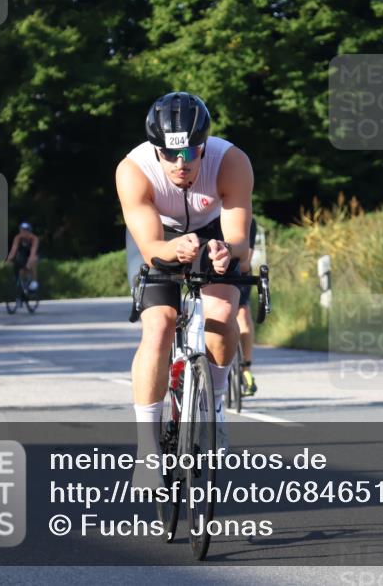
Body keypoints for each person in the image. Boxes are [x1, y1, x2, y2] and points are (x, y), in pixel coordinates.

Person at [116, 92, 253, 486]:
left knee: (222, 315)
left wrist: (226, 251)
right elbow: (151, 247)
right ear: (155, 149)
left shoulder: (231, 161)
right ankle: (147, 450)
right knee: (159, 325)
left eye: (191, 152)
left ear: (203, 145)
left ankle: (215, 404)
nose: (181, 163)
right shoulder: (134, 170)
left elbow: (240, 241)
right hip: (160, 236)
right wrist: (173, 249)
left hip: (215, 230)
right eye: (170, 154)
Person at [235, 218, 259, 396]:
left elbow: (246, 259)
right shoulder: (206, 215)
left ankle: (246, 369)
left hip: (237, 271)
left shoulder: (247, 220)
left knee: (242, 313)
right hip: (206, 271)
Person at [6, 222, 40, 291]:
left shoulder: (34, 238)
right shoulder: (18, 237)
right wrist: (9, 259)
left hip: (32, 254)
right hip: (22, 254)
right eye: (22, 230)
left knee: (33, 261)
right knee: (20, 265)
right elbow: (14, 249)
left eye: (26, 230)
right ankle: (20, 282)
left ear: (29, 231)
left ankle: (34, 281)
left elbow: (33, 251)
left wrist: (29, 263)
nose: (24, 232)